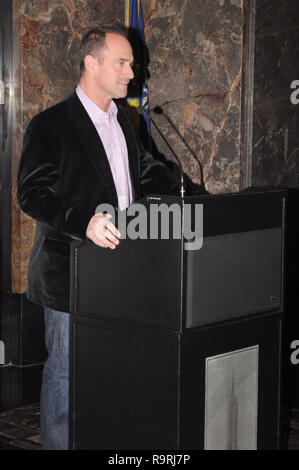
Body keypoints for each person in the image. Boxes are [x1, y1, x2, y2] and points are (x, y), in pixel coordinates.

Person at [17, 26, 179, 450]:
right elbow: (32, 194)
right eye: (122, 62)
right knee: (67, 377)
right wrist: (82, 221)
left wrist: (180, 187)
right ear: (92, 63)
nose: (132, 72)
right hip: (71, 273)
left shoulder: (124, 119)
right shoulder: (51, 124)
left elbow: (141, 169)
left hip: (123, 270)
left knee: (116, 373)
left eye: (131, 63)